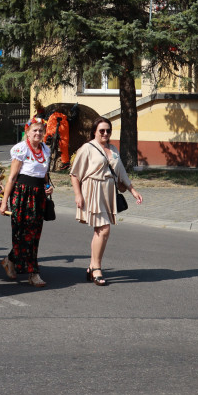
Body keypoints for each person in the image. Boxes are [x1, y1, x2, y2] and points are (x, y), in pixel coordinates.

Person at [69, 118, 143, 286]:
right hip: (92, 190)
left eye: (108, 130)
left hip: (108, 191)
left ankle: (92, 267)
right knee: (104, 229)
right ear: (95, 131)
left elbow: (121, 172)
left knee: (100, 230)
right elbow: (74, 174)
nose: (105, 133)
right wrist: (78, 195)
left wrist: (133, 190)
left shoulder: (113, 148)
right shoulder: (87, 148)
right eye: (101, 130)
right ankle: (96, 268)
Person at [0, 116, 51, 287]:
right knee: (22, 235)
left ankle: (10, 260)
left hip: (38, 196)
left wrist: (48, 187)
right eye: (34, 130)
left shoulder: (45, 149)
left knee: (34, 235)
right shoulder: (21, 149)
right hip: (22, 195)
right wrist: (5, 201)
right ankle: (33, 273)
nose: (38, 133)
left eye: (41, 130)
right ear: (27, 132)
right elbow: (12, 177)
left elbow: (44, 175)